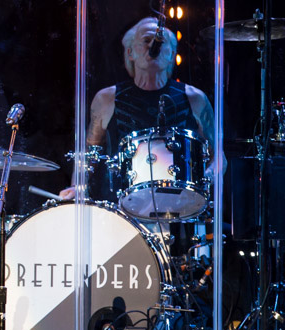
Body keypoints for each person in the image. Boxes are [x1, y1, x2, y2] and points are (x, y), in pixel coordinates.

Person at [61, 16, 216, 201]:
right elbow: (88, 154)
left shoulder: (194, 99)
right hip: (121, 209)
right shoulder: (107, 99)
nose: (153, 46)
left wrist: (206, 177)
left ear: (172, 53)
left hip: (179, 206)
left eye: (160, 42)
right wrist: (77, 186)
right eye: (146, 40)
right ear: (130, 52)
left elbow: (218, 155)